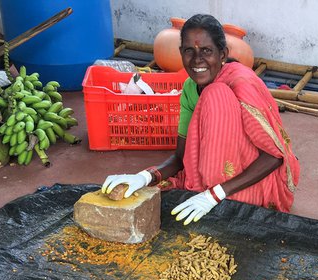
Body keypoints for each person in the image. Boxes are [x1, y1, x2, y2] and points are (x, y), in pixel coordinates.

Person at [101, 13, 300, 224]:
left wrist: (213, 195)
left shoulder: (241, 82)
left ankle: (217, 195)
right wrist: (144, 177)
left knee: (215, 94)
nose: (197, 60)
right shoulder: (189, 87)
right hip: (209, 178)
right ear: (181, 53)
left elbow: (274, 156)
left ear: (222, 54)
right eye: (189, 51)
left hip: (253, 182)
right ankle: (208, 190)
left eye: (206, 51)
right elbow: (181, 156)